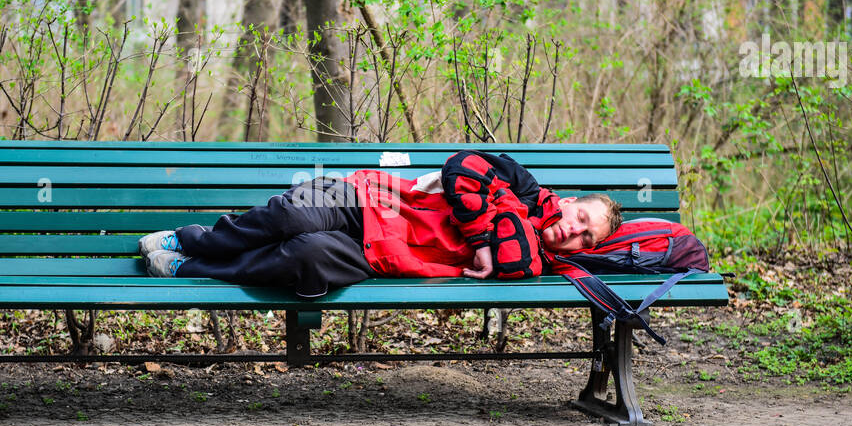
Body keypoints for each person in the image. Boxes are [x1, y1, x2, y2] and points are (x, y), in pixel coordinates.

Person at [138, 150, 623, 298]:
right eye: (581, 218)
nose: (573, 231)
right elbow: (463, 167)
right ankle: (194, 240)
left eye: (586, 236)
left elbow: (520, 265)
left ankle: (190, 269)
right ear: (573, 200)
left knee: (305, 255)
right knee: (292, 213)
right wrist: (482, 238)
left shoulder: (538, 262)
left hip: (381, 258)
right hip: (375, 202)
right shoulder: (525, 188)